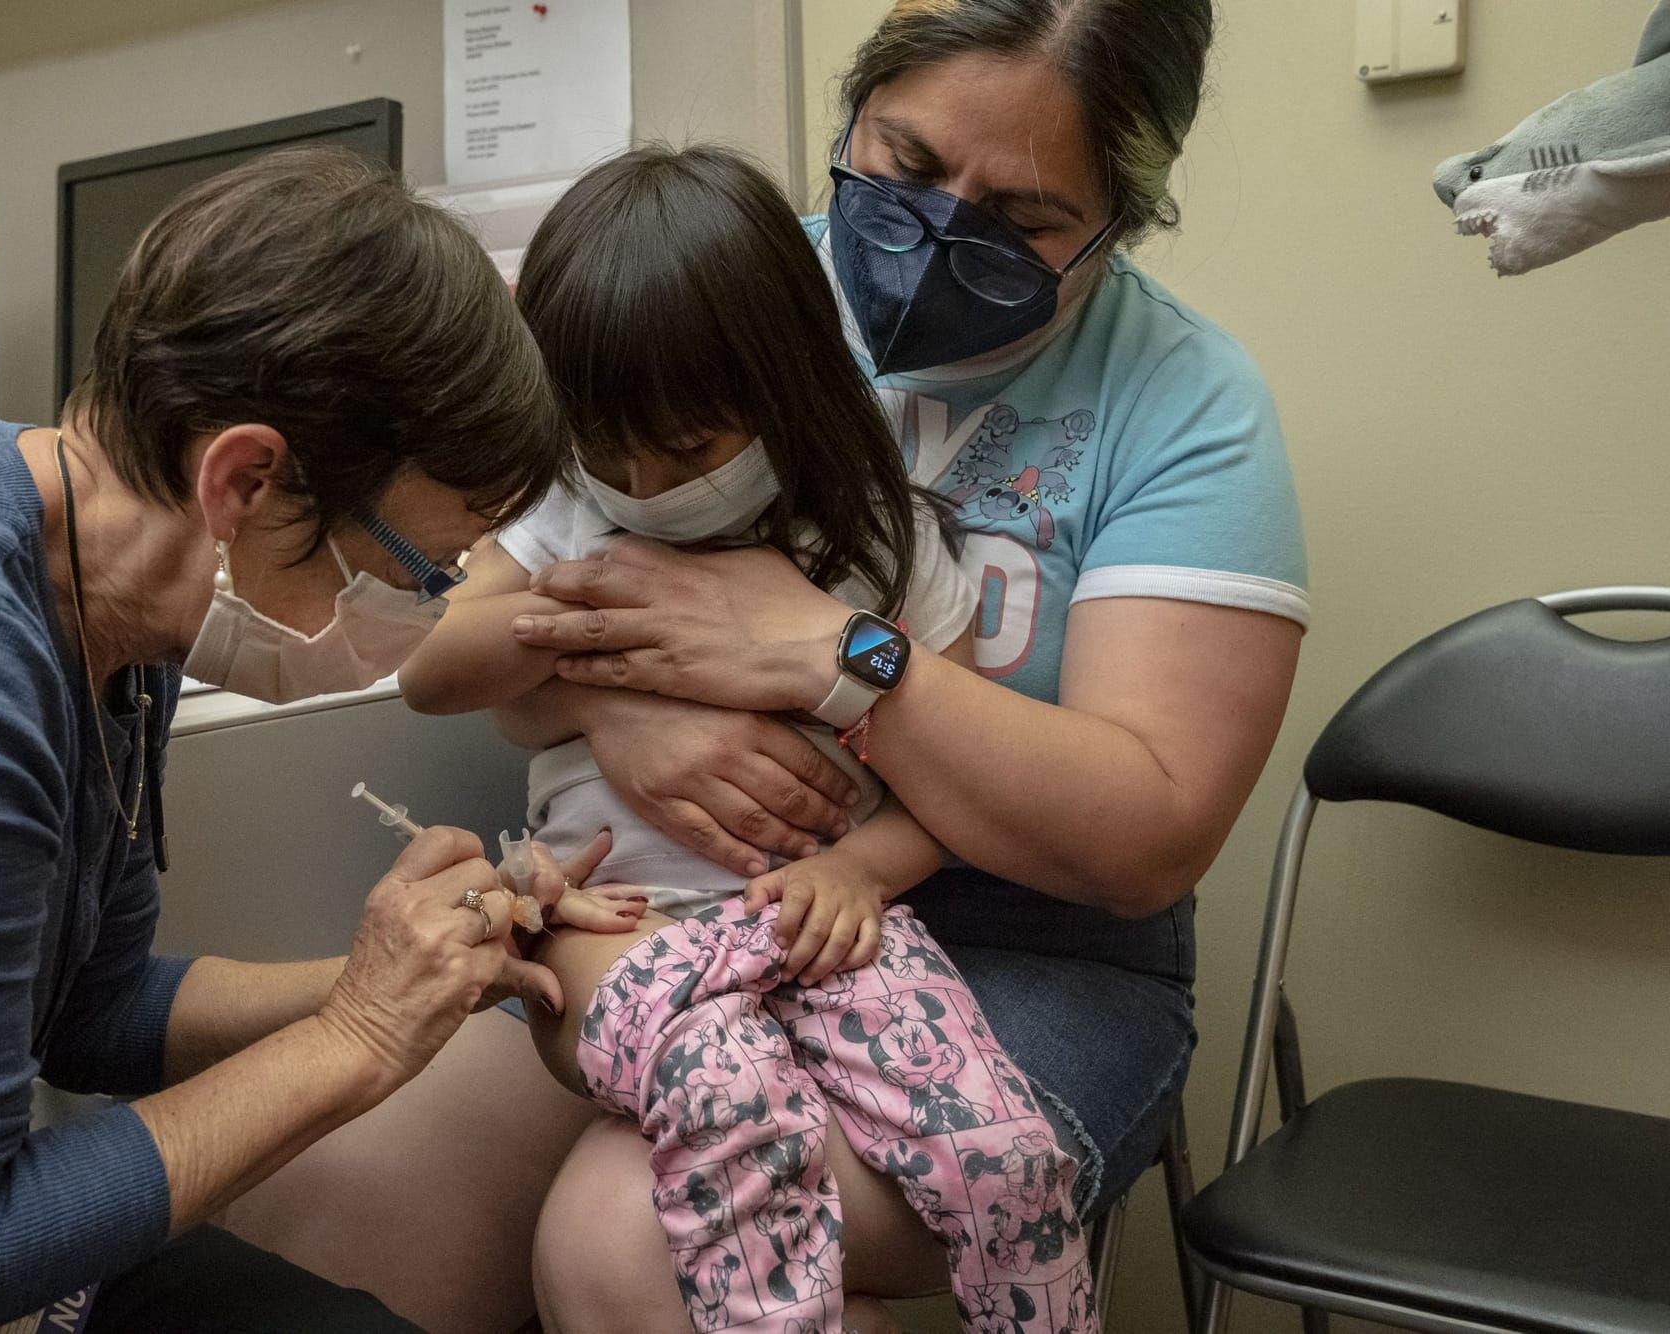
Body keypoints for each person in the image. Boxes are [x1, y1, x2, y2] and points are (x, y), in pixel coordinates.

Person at [0, 146, 619, 1334]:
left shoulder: (116, 599)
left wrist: (416, 976)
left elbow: (89, 1012)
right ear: (245, 479)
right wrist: (360, 1034)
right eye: (417, 568)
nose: (426, 609)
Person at [505, 1, 1309, 1327]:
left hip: (1028, 945)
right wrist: (619, 697)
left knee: (629, 1239)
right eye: (907, 164)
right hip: (672, 891)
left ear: (1123, 215)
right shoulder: (715, 289)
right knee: (355, 1181)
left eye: (1024, 217)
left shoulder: (1185, 406)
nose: (941, 229)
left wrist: (836, 651)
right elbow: (470, 607)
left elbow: (1145, 837)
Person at [401, 144, 1098, 1333]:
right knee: (732, 1107)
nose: (645, 483)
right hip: (616, 922)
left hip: (821, 927)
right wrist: (594, 644)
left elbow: (955, 761)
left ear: (783, 388)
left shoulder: (870, 539)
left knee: (1005, 1160)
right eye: (607, 444)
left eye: (689, 447)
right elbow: (431, 669)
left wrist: (854, 868)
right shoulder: (567, 509)